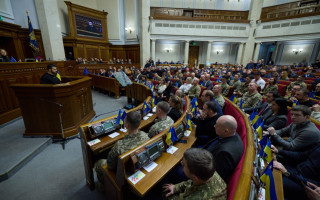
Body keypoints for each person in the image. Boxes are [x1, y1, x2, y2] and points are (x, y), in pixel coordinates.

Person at [94, 112, 149, 188]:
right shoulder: (146, 136)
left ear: (127, 125)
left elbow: (110, 166)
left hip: (124, 174)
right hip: (139, 165)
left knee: (99, 163)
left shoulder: (119, 146)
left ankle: (103, 187)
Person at [163, 148, 227, 200]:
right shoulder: (210, 172)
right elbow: (190, 182)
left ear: (195, 177)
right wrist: (175, 187)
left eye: (184, 164)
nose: (181, 162)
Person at [205, 115, 244, 183]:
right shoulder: (232, 134)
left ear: (226, 131)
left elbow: (213, 176)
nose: (214, 126)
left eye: (217, 125)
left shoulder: (225, 153)